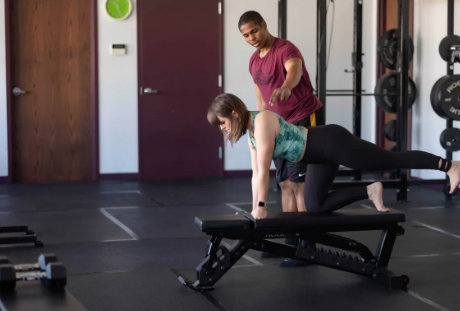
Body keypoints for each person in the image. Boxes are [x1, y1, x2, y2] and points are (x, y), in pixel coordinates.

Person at [207, 93, 460, 219]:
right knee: (316, 206)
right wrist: (254, 209)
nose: (222, 128)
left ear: (234, 113)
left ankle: (449, 165)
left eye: (221, 122)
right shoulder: (250, 133)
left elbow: (264, 172)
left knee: (389, 159)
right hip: (317, 156)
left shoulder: (260, 121)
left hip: (331, 142)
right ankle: (370, 190)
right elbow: (255, 176)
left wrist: (261, 207)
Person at [239, 11, 322, 215]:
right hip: (277, 125)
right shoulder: (253, 61)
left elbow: (295, 70)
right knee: (284, 183)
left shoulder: (285, 48)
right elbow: (261, 99)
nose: (252, 38)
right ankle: (290, 240)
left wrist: (286, 86)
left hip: (302, 116)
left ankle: (306, 241)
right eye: (246, 35)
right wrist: (258, 127)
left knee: (299, 184)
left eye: (255, 31)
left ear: (264, 25)